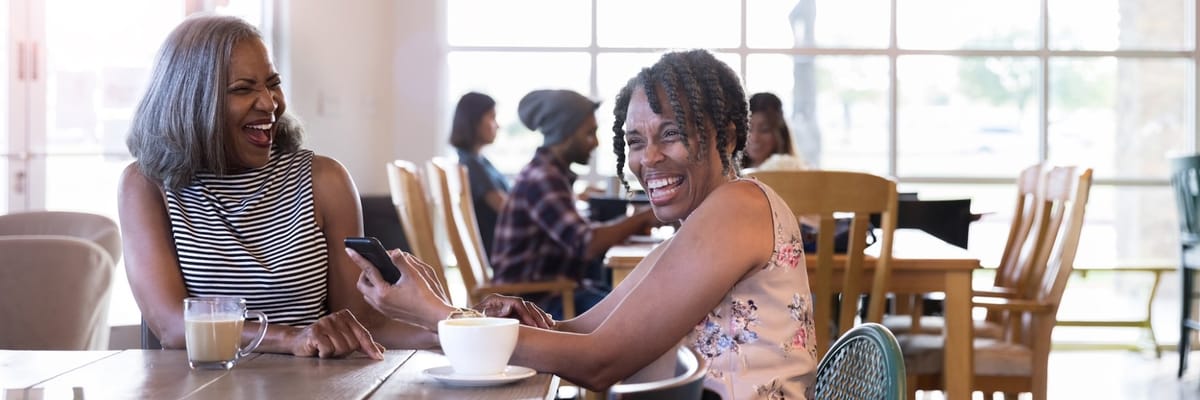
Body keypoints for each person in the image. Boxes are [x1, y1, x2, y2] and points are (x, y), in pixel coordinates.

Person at [352, 49, 817, 399]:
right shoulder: (704, 223)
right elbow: (581, 332)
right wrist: (461, 318)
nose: (648, 158)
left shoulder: (738, 205)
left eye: (670, 134)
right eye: (635, 141)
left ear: (728, 135)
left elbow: (599, 362)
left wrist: (435, 312)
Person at [117, 14, 437, 359]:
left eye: (272, 83)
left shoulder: (324, 180)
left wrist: (461, 326)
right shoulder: (146, 186)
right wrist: (290, 339)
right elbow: (172, 326)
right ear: (190, 101)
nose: (270, 103)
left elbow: (360, 323)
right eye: (243, 89)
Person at [485, 89, 659, 319]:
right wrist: (644, 217)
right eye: (589, 133)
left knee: (635, 301)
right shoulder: (543, 178)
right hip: (536, 304)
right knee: (639, 316)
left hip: (556, 292)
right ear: (565, 133)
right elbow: (586, 244)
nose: (595, 143)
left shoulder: (548, 174)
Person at [448, 92, 508, 253]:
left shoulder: (477, 161)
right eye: (492, 117)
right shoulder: (471, 166)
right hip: (499, 251)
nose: (497, 125)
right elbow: (507, 209)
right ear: (473, 121)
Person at [743, 92, 809, 171]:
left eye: (764, 130)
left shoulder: (794, 170)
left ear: (780, 133)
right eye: (749, 129)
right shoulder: (730, 175)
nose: (755, 138)